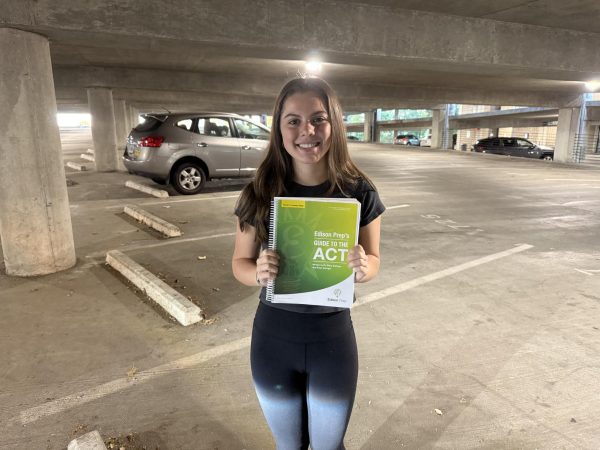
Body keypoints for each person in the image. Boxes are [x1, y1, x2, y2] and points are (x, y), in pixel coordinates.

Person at [232, 76, 385, 450]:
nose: (307, 131)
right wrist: (257, 273)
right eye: (294, 120)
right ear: (279, 128)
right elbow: (239, 262)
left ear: (334, 123)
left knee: (329, 447)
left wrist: (364, 267)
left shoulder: (359, 191)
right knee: (290, 447)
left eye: (318, 119)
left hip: (331, 339)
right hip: (273, 340)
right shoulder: (261, 191)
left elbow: (375, 259)